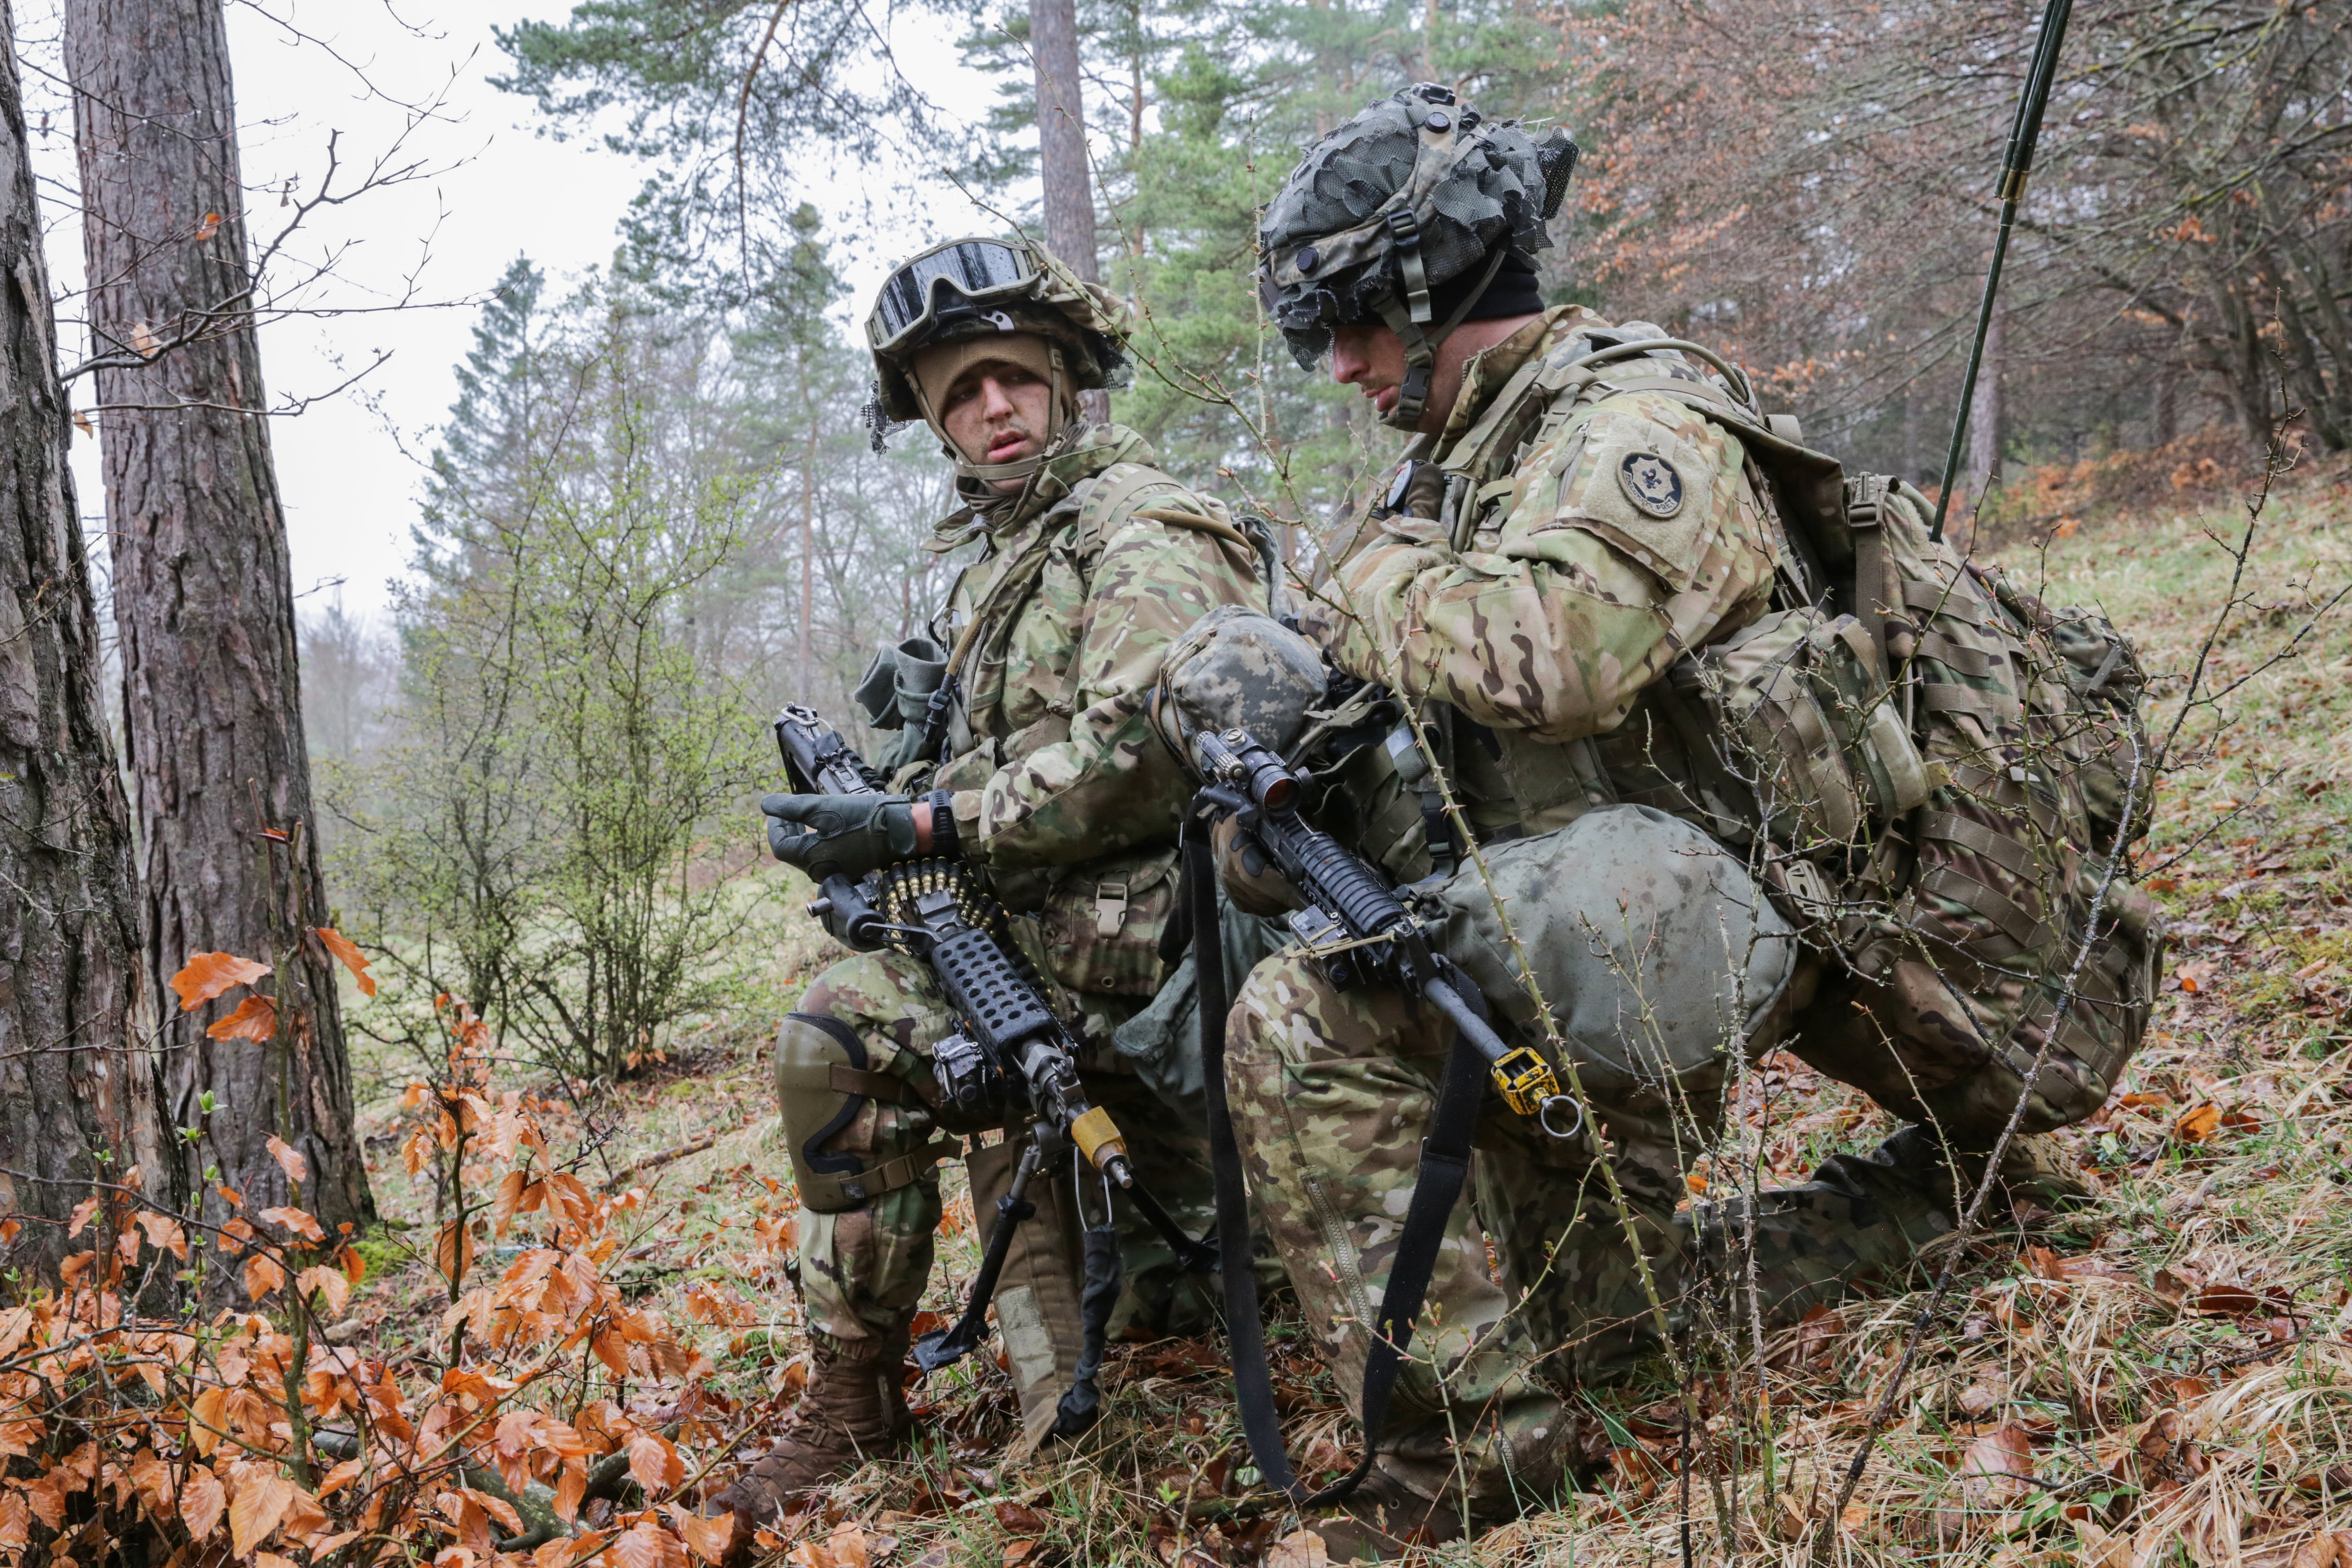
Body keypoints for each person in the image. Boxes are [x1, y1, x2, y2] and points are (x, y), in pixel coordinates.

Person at [1177, 84, 2158, 1557]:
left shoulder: (1632, 422)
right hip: (1626, 919)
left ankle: (1464, 1477)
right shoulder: (1463, 468)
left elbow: (1559, 657)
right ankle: (1938, 1215)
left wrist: (1363, 578)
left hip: (1754, 913)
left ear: (1428, 288)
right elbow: (1448, 727)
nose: (1337, 365)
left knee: (1300, 1023)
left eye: (1352, 323)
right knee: (1584, 1320)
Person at [708, 238, 1271, 1550]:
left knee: (841, 1034)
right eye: (962, 395)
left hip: (1164, 977)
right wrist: (888, 816)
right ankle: (856, 1400)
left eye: (1014, 378)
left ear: (1068, 380)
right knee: (836, 1032)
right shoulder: (1001, 560)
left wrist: (922, 819)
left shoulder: (1145, 530)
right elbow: (996, 753)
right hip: (1037, 946)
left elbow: (1143, 753)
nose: (993, 410)